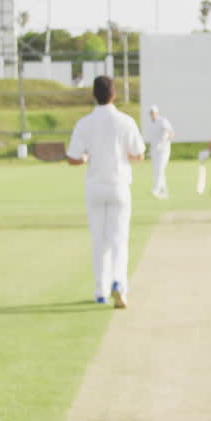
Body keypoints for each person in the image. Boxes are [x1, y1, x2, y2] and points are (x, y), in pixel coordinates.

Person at [66, 75, 145, 309]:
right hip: (119, 185)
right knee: (119, 239)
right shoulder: (126, 121)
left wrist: (86, 158)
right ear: (114, 94)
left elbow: (73, 158)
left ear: (94, 95)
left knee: (99, 240)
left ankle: (100, 290)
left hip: (95, 187)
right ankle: (118, 283)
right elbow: (138, 154)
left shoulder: (85, 123)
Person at [145, 106, 175, 199]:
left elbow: (171, 132)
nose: (152, 114)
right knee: (156, 170)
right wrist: (150, 150)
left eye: (153, 112)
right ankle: (163, 191)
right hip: (154, 150)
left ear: (157, 113)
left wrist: (168, 138)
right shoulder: (150, 124)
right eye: (151, 113)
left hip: (164, 150)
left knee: (160, 169)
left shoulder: (162, 121)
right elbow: (153, 139)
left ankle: (156, 189)